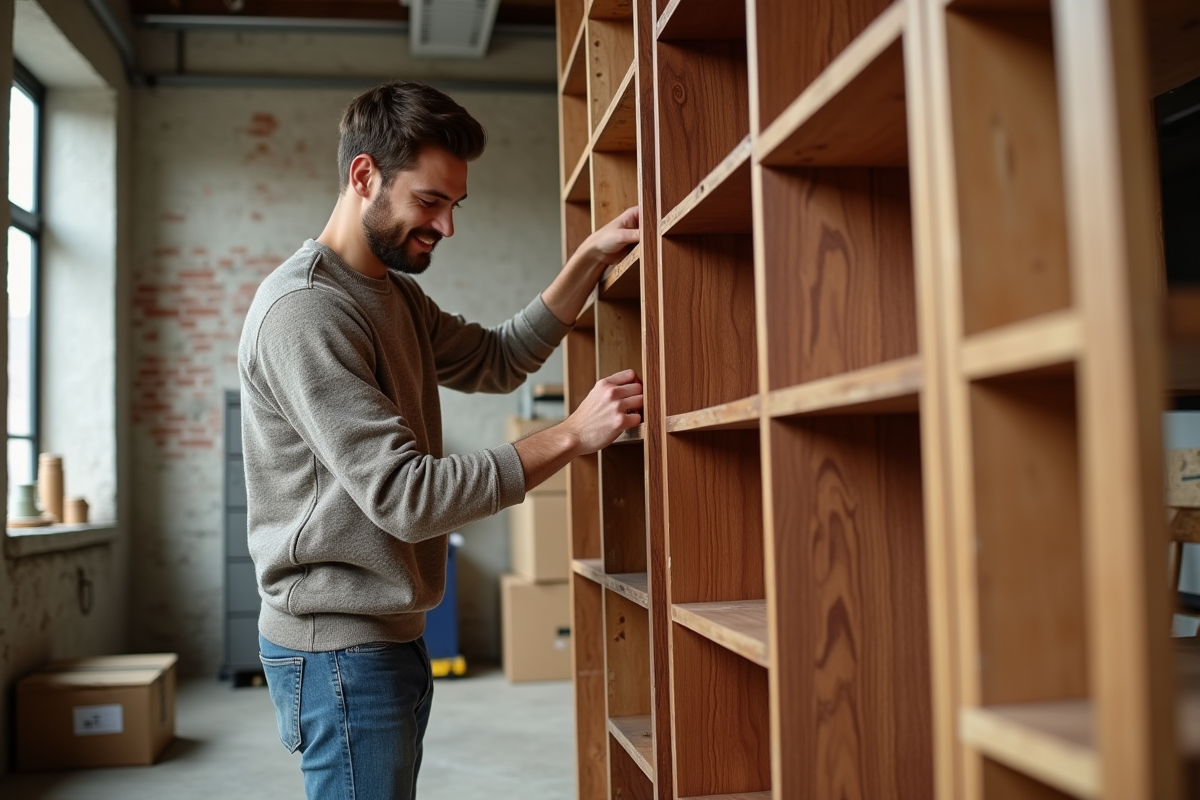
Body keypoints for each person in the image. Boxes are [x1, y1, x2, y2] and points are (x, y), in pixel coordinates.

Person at [238, 81, 642, 800]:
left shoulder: (392, 294)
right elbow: (406, 497)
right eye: (429, 202)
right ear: (364, 175)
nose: (446, 227)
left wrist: (587, 260)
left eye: (455, 205)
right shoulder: (307, 312)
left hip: (385, 634)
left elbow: (496, 358)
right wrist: (574, 435)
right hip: (339, 649)